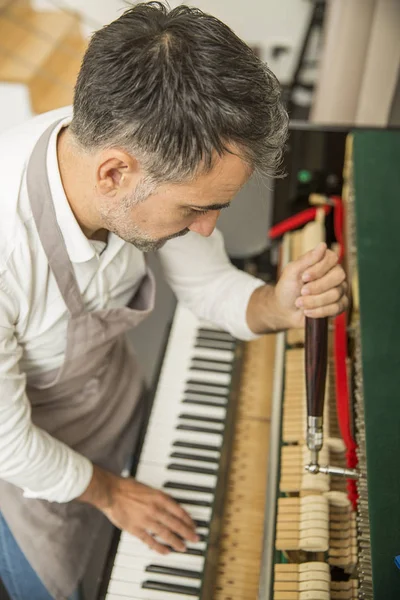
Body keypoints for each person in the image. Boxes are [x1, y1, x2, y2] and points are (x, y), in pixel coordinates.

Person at [0, 3, 347, 599]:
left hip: (111, 403)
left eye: (219, 207)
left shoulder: (126, 147)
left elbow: (207, 284)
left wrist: (275, 302)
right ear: (114, 174)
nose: (209, 230)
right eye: (195, 209)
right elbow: (10, 444)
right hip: (23, 471)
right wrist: (110, 492)